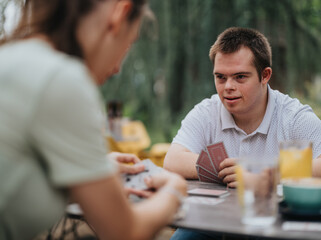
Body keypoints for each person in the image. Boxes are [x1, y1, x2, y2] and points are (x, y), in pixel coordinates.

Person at [0, 1, 187, 240]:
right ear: (120, 13)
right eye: (129, 42)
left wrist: (93, 170)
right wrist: (174, 191)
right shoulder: (62, 79)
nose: (118, 68)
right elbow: (124, 232)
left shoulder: (13, 57)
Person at [164, 26, 321, 240]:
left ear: (265, 75)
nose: (228, 87)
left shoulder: (293, 116)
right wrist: (227, 170)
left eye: (240, 76)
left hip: (275, 223)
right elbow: (173, 160)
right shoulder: (206, 111)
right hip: (212, 221)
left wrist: (264, 174)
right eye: (220, 77)